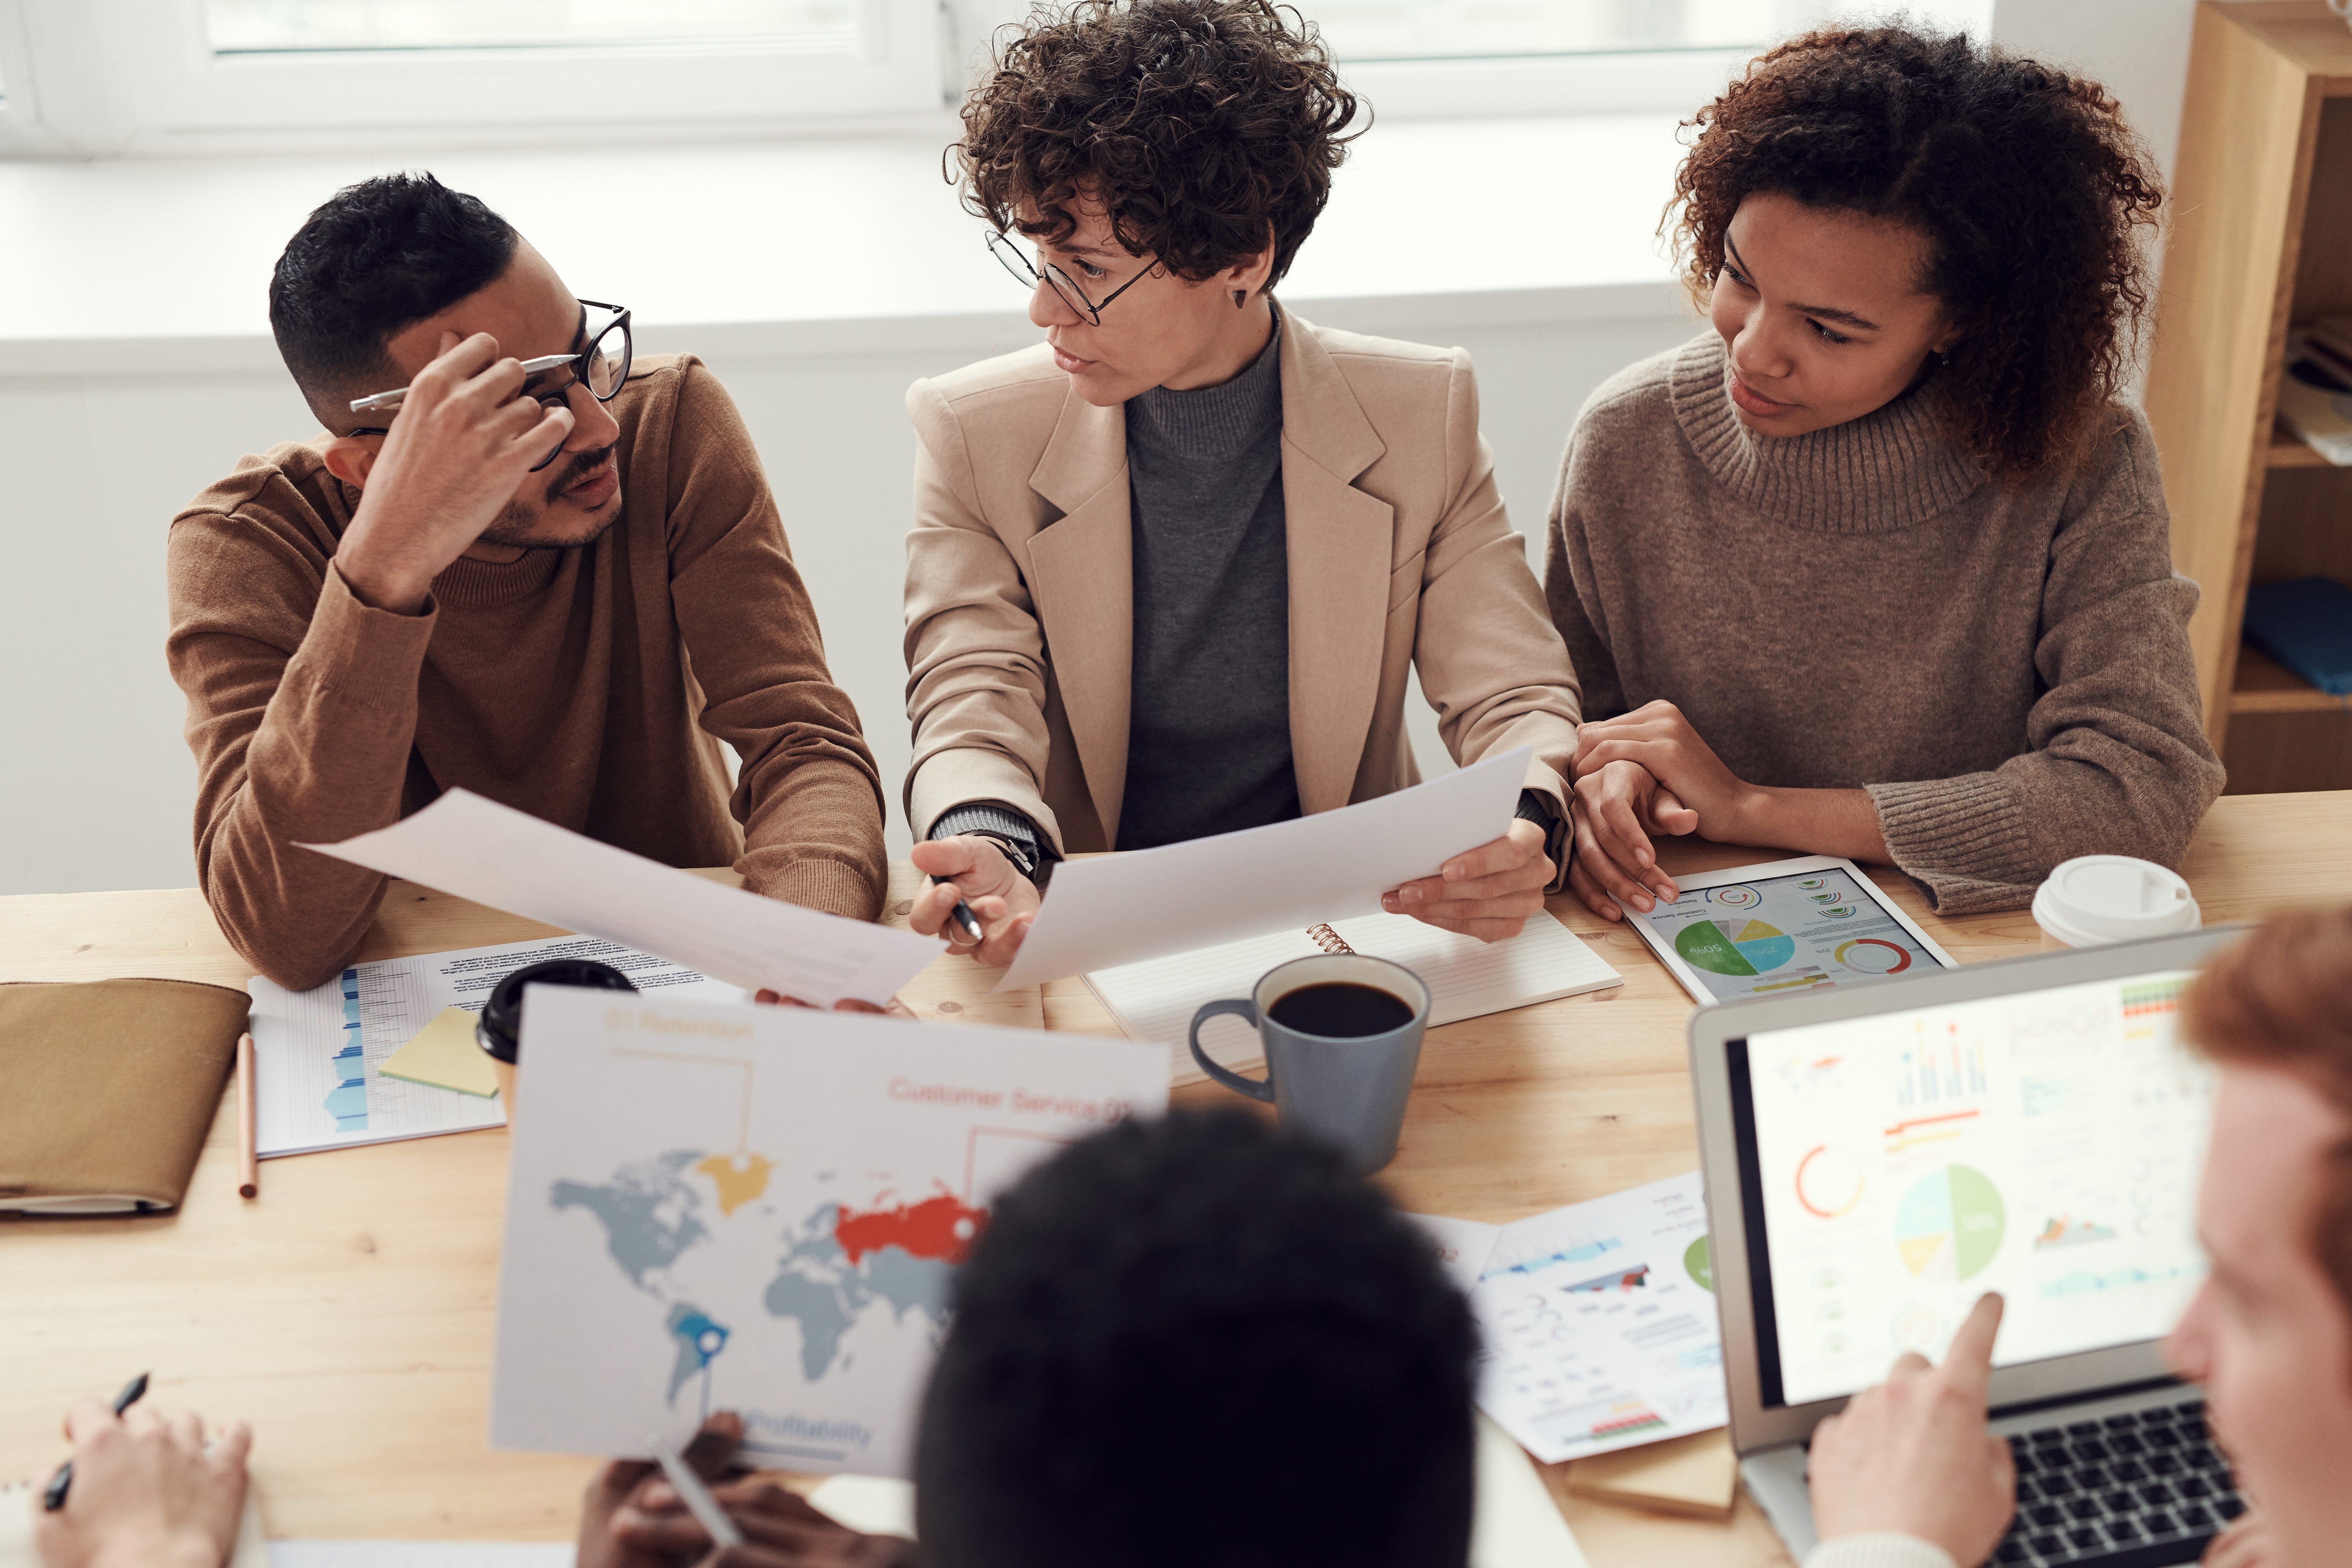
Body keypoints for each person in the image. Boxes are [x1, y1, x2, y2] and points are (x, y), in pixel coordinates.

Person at [900, 0, 1586, 969]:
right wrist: (994, 841)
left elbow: (1514, 691)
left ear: (1244, 256)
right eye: (1039, 260)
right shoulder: (973, 430)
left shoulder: (1419, 411)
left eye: (1086, 269)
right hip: (1094, 929)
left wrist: (1524, 822)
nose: (1042, 308)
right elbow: (971, 692)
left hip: (1352, 926)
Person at [1548, 27, 2225, 925]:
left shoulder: (2082, 460)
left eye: (1828, 329)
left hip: (1989, 937)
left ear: (1959, 325)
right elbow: (1562, 728)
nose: (1752, 350)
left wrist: (1753, 805)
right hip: (1693, 918)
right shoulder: (1625, 441)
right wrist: (1607, 777)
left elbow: (2139, 785)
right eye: (1738, 277)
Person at [166, 174, 888, 992]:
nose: (597, 425)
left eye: (586, 356)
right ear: (370, 467)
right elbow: (284, 934)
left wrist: (805, 955)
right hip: (413, 993)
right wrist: (380, 573)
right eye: (522, 403)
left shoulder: (671, 425)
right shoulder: (245, 542)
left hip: (692, 965)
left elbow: (802, 740)